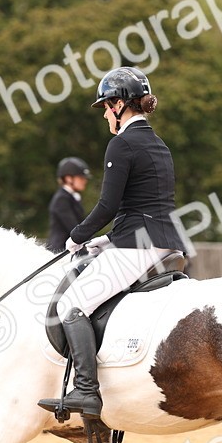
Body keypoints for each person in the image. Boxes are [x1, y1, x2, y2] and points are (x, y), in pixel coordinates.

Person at [37, 67, 186, 421]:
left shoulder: (121, 143)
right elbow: (145, 205)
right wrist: (106, 239)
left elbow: (108, 205)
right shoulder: (157, 143)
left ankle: (86, 390)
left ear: (119, 105)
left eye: (106, 106)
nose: (105, 113)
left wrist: (78, 236)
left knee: (71, 304)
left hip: (139, 247)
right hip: (165, 244)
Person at [47, 157, 91, 252]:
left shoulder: (72, 197)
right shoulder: (61, 199)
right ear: (68, 178)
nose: (85, 181)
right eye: (81, 178)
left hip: (73, 249)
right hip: (60, 251)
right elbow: (74, 228)